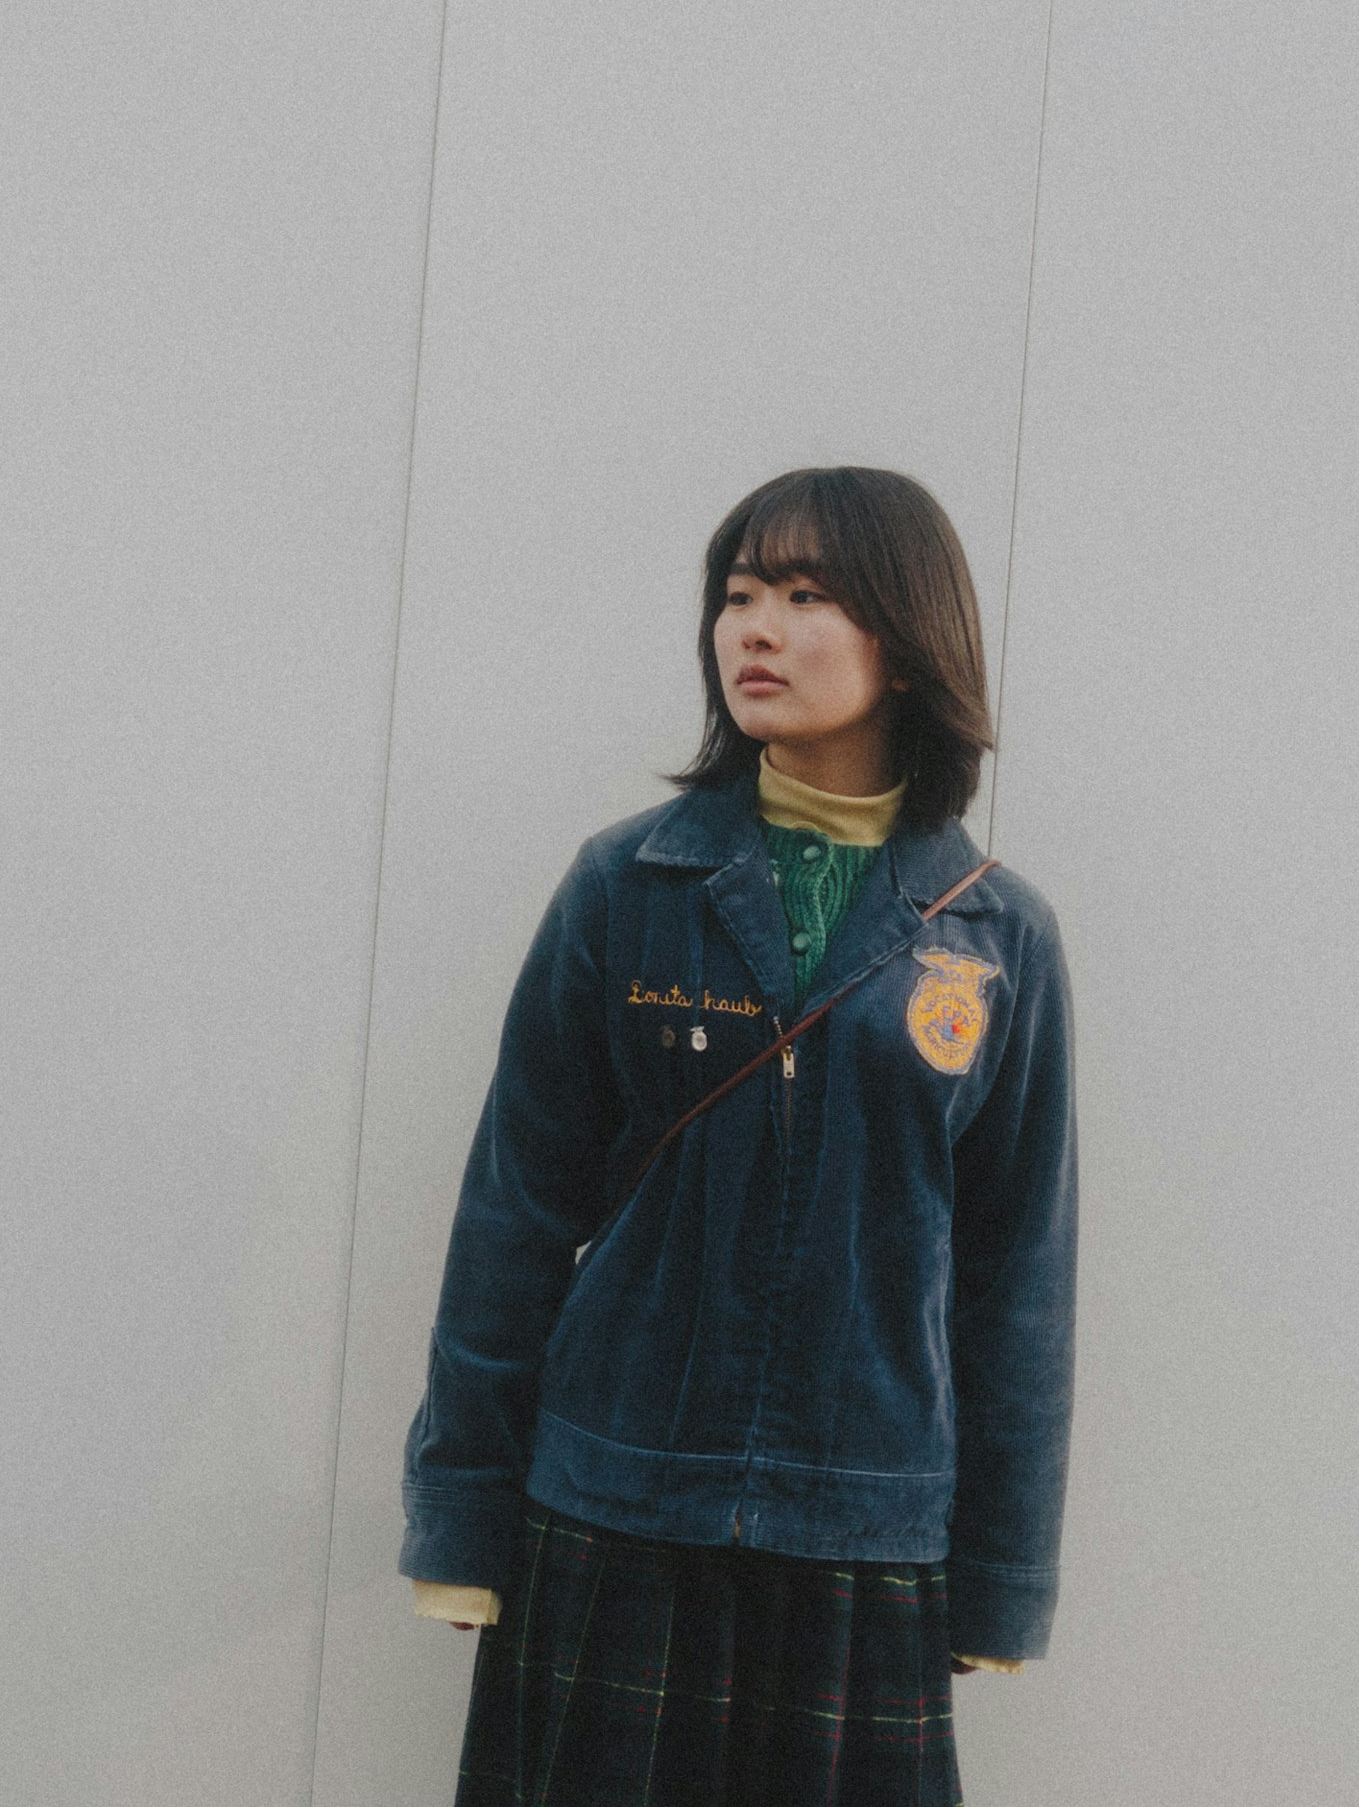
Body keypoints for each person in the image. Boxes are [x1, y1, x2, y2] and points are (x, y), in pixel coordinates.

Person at [401, 466, 1075, 1807]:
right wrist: (462, 1516)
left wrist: (999, 1580)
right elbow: (516, 1210)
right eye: (738, 593)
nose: (754, 628)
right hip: (615, 1502)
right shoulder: (628, 885)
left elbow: (1019, 1285)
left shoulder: (998, 938)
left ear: (907, 640)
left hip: (862, 1531)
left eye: (807, 596)